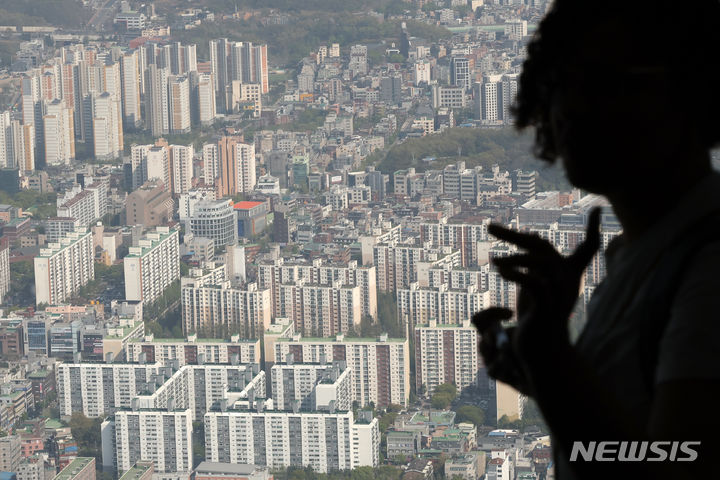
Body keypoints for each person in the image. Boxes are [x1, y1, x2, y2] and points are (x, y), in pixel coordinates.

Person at [472, 1, 720, 479]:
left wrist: (550, 361)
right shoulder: (648, 254)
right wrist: (544, 374)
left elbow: (677, 463)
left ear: (694, 94)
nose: (576, 108)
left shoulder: (710, 267)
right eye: (561, 84)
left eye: (614, 84)